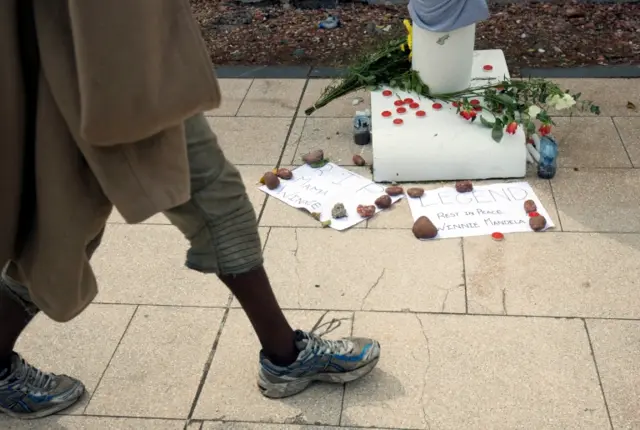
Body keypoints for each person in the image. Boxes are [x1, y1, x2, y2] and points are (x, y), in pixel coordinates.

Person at [0, 0, 380, 420]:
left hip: (90, 45)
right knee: (78, 226)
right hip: (99, 52)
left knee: (70, 222)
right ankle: (285, 357)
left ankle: (284, 355)